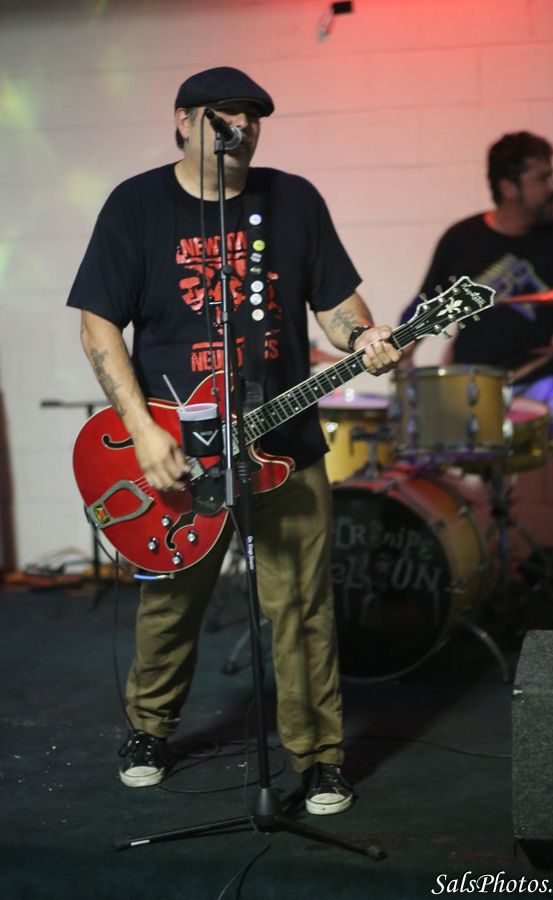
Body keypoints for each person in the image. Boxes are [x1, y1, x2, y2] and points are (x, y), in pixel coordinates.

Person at [67, 66, 401, 814]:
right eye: (225, 115)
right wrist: (141, 432)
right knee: (171, 600)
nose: (242, 127)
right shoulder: (135, 206)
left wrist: (364, 335)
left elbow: (338, 306)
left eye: (253, 116)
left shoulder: (294, 200)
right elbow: (97, 326)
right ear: (184, 121)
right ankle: (149, 730)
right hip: (178, 449)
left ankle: (319, 759)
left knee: (303, 608)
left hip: (283, 443)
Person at [400, 131, 553, 443]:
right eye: (543, 178)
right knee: (427, 447)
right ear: (509, 188)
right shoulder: (461, 239)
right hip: (471, 386)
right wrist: (404, 347)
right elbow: (425, 305)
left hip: (540, 383)